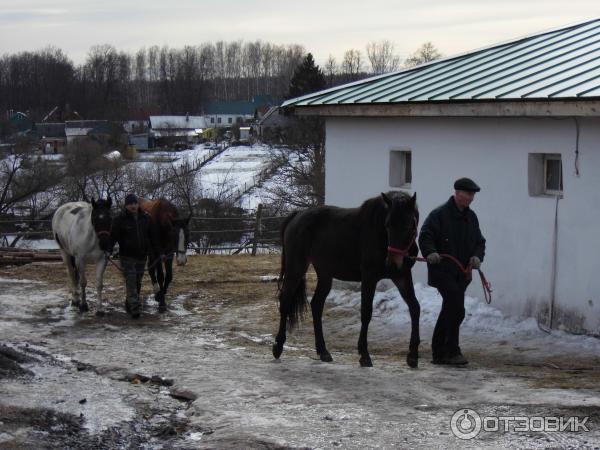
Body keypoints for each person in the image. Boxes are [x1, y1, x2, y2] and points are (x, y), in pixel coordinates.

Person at [418, 177, 486, 365]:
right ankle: (452, 350)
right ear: (457, 193)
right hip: (443, 271)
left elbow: (480, 242)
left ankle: (439, 353)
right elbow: (425, 236)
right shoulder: (438, 215)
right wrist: (430, 252)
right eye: (469, 194)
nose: (471, 198)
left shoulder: (471, 218)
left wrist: (477, 257)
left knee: (451, 309)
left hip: (462, 274)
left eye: (473, 195)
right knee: (456, 308)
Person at [110, 194, 159, 318]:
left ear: (138, 204)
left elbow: (153, 236)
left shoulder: (146, 218)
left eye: (135, 203)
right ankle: (135, 308)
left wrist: (156, 251)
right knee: (131, 281)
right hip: (127, 256)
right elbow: (113, 237)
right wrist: (107, 249)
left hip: (142, 256)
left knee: (137, 281)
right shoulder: (119, 219)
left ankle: (129, 302)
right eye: (130, 204)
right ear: (126, 205)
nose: (133, 206)